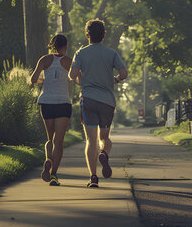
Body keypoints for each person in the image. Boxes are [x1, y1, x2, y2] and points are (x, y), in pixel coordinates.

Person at [69, 19, 128, 188]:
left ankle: (93, 177)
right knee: (105, 138)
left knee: (90, 140)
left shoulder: (81, 53)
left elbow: (72, 76)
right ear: (103, 35)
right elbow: (124, 73)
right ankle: (104, 153)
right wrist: (115, 79)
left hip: (88, 99)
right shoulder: (111, 53)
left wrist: (82, 78)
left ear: (87, 35)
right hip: (107, 102)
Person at [30, 34, 73, 186]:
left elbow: (33, 79)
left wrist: (44, 80)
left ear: (52, 45)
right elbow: (77, 78)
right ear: (65, 46)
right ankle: (54, 174)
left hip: (46, 101)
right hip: (63, 102)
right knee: (59, 142)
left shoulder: (44, 59)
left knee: (50, 138)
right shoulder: (68, 62)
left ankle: (48, 158)